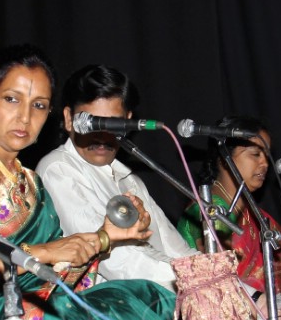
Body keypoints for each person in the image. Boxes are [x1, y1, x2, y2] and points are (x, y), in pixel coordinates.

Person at [0, 46, 176, 320]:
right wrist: (43, 252)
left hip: (36, 300)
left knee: (148, 297)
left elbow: (57, 271)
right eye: (11, 99)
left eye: (39, 105)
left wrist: (105, 238)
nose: (24, 116)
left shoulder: (29, 180)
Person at [36, 65, 197, 291]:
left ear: (128, 122)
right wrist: (196, 282)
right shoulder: (57, 170)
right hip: (109, 314)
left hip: (161, 302)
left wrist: (221, 280)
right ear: (69, 119)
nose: (102, 136)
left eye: (112, 123)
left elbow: (177, 250)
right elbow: (119, 263)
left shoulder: (130, 180)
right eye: (92, 123)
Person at [177, 116, 281, 320]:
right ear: (224, 158)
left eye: (266, 155)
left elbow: (280, 281)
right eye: (255, 154)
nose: (265, 163)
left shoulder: (257, 216)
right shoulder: (207, 212)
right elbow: (221, 285)